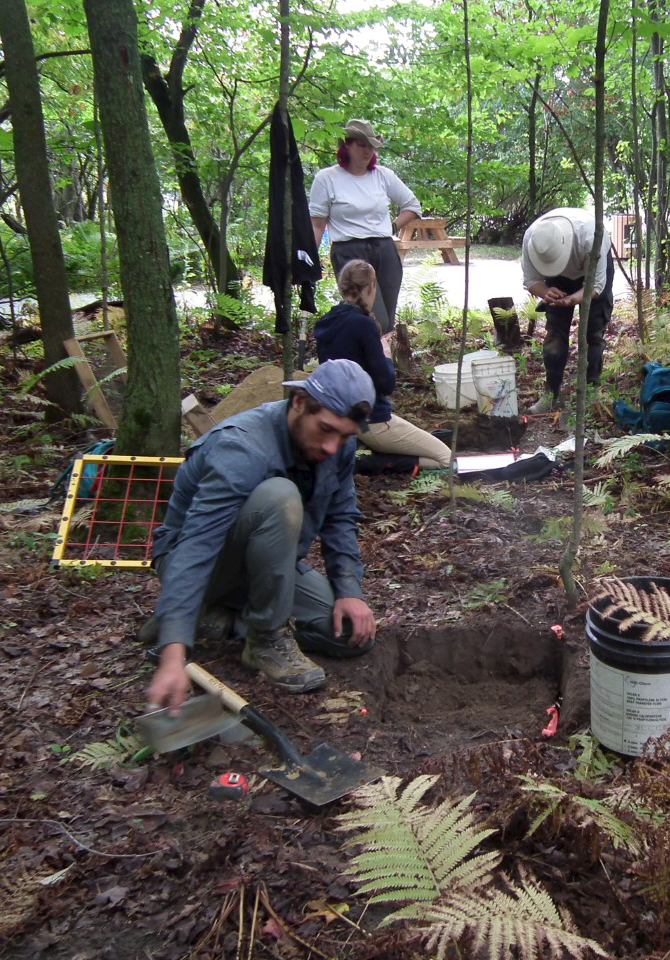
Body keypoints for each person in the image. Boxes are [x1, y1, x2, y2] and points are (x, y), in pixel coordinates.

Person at [143, 360, 380, 714]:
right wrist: (173, 652)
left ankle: (219, 621)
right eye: (326, 430)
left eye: (344, 436)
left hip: (267, 569)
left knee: (347, 634)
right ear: (298, 402)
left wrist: (349, 591)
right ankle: (265, 638)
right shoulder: (242, 447)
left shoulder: (338, 447)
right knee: (279, 497)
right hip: (206, 565)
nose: (333, 447)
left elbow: (340, 516)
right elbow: (197, 547)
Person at [315, 259, 451, 469]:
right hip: (372, 420)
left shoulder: (326, 322)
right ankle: (373, 462)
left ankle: (366, 452)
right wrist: (386, 355)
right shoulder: (363, 324)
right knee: (446, 458)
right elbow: (386, 384)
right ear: (371, 287)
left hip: (340, 415)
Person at [309, 118, 421, 333]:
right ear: (347, 146)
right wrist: (309, 262)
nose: (368, 151)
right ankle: (360, 353)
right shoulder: (327, 178)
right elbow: (317, 225)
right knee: (371, 319)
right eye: (362, 145)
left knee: (387, 321)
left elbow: (412, 205)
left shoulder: (383, 175)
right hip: (350, 253)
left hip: (385, 251)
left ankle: (379, 355)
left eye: (372, 146)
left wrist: (392, 227)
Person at [520, 207, 614, 413]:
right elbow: (530, 280)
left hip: (594, 266)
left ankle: (590, 394)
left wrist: (572, 299)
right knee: (555, 332)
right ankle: (551, 395)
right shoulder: (532, 239)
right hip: (557, 278)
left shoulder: (591, 237)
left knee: (593, 331)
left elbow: (596, 286)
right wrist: (546, 292)